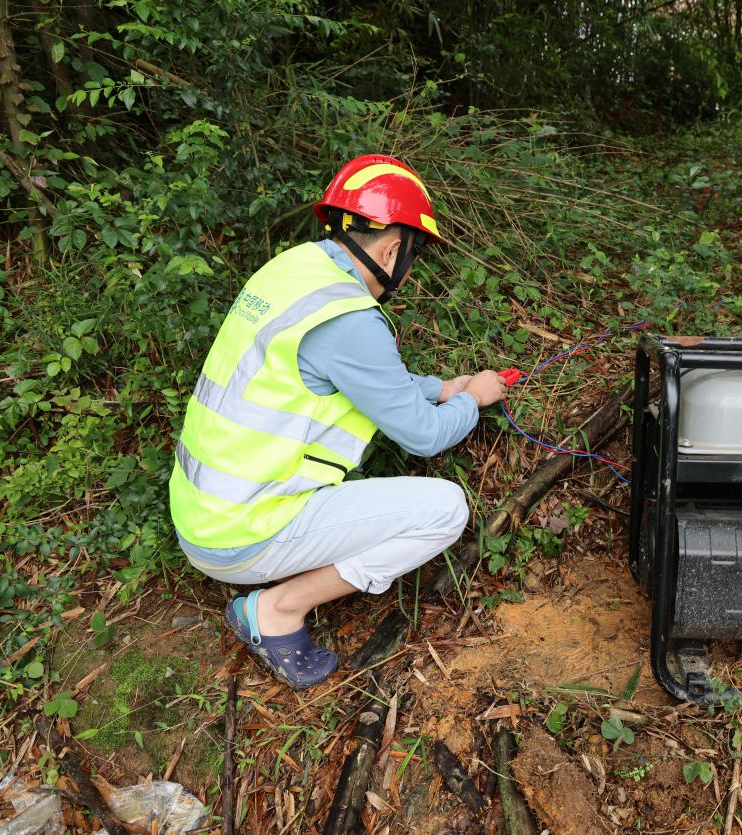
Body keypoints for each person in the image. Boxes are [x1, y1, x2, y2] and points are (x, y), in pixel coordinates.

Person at [168, 155, 506, 689]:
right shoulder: (349, 319)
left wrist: (441, 388)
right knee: (445, 510)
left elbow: (357, 374)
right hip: (241, 533)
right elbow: (426, 435)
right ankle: (275, 610)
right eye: (411, 255)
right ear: (394, 248)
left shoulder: (293, 272)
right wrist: (473, 400)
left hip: (202, 512)